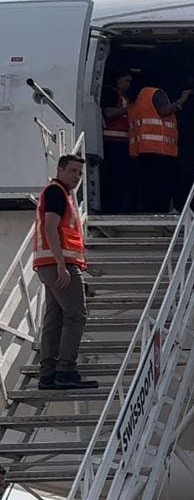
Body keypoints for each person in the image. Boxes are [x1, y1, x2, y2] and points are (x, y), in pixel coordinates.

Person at [33, 154, 97, 391]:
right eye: (73, 171)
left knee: (54, 318)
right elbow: (50, 227)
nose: (77, 177)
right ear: (60, 170)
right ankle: (65, 370)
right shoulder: (56, 193)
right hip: (59, 265)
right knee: (76, 315)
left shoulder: (60, 194)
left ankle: (48, 373)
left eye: (80, 173)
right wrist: (62, 264)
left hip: (49, 264)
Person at [128, 81, 191, 212]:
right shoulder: (154, 92)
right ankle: (161, 211)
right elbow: (164, 110)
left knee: (149, 186)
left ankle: (151, 210)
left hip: (142, 150)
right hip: (159, 150)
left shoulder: (138, 99)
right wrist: (181, 100)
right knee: (162, 185)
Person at [101, 72, 133, 213]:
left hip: (124, 143)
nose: (128, 84)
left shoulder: (125, 97)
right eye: (125, 80)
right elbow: (108, 112)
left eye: (130, 82)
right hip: (112, 142)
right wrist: (129, 109)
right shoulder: (110, 92)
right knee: (113, 178)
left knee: (123, 179)